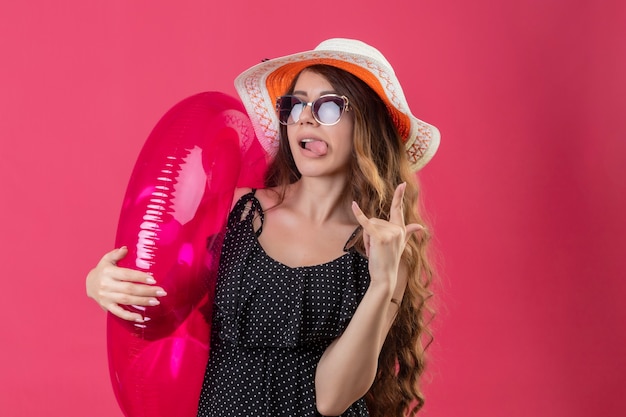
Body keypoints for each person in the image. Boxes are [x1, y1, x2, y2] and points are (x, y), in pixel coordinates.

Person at [86, 38, 440, 417]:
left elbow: (332, 398)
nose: (305, 117)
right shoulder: (238, 210)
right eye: (296, 104)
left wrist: (383, 282)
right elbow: (164, 307)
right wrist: (100, 282)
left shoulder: (380, 250)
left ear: (367, 125)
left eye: (329, 106)